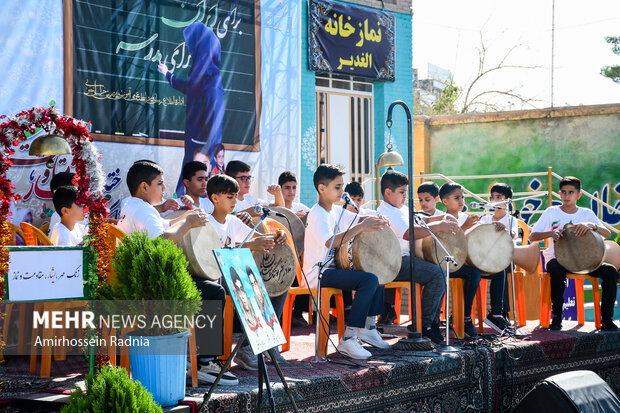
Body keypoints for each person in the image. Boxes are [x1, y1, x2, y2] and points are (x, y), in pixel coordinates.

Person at [117, 162, 238, 385]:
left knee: (204, 284)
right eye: (159, 184)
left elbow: (163, 225)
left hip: (138, 281)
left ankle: (196, 358)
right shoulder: (143, 209)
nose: (164, 189)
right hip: (151, 287)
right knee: (213, 290)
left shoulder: (130, 204)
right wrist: (189, 222)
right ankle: (205, 362)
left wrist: (185, 219)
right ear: (144, 187)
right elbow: (162, 240)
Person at [303, 164, 390, 359]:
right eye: (337, 187)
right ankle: (349, 339)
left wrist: (378, 218)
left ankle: (368, 327)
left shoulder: (334, 210)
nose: (342, 192)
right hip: (318, 273)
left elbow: (358, 218)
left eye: (342, 186)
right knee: (368, 280)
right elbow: (330, 241)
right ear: (322, 188)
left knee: (376, 271)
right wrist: (362, 227)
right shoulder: (317, 213)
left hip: (331, 271)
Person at [206, 174, 289, 369]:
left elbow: (260, 237)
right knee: (246, 284)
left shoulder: (232, 221)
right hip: (216, 275)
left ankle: (265, 343)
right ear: (215, 198)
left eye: (235, 196)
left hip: (234, 273)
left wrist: (278, 235)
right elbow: (213, 254)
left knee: (278, 283)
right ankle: (246, 349)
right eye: (229, 197)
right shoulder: (208, 223)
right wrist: (252, 245)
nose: (235, 201)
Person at [376, 171, 457, 343]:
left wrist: (442, 217)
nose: (406, 196)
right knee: (436, 274)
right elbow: (408, 233)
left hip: (406, 259)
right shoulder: (387, 211)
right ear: (388, 193)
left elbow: (420, 222)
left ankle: (431, 323)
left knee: (441, 269)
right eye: (401, 192)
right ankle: (424, 325)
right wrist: (439, 225)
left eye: (406, 191)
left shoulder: (401, 209)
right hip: (393, 263)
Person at [529, 176, 618, 331]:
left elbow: (608, 234)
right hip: (557, 260)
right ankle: (557, 318)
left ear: (579, 195)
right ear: (559, 193)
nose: (566, 196)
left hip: (585, 263)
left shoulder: (586, 213)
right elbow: (532, 236)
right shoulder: (552, 212)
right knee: (556, 271)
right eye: (563, 192)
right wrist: (551, 233)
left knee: (610, 271)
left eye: (571, 192)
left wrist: (592, 225)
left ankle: (607, 320)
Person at [157, 22, 224, 195]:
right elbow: (189, 88)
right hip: (195, 143)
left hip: (202, 149)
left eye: (193, 47)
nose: (191, 51)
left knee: (200, 186)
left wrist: (206, 151)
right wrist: (167, 74)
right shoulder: (201, 77)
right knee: (189, 185)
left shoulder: (212, 84)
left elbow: (213, 120)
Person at [439, 182, 482, 337]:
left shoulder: (465, 217)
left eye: (462, 197)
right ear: (445, 201)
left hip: (466, 261)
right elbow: (447, 245)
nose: (461, 201)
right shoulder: (442, 219)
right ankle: (465, 317)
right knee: (474, 274)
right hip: (448, 264)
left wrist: (493, 227)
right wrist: (464, 227)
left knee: (498, 271)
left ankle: (497, 314)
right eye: (456, 198)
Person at [478, 183, 518, 333]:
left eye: (499, 197)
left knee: (504, 266)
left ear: (508, 200)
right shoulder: (485, 218)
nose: (494, 200)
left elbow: (514, 234)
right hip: (485, 258)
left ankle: (502, 313)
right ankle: (461, 315)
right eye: (493, 197)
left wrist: (505, 229)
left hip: (504, 258)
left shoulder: (511, 219)